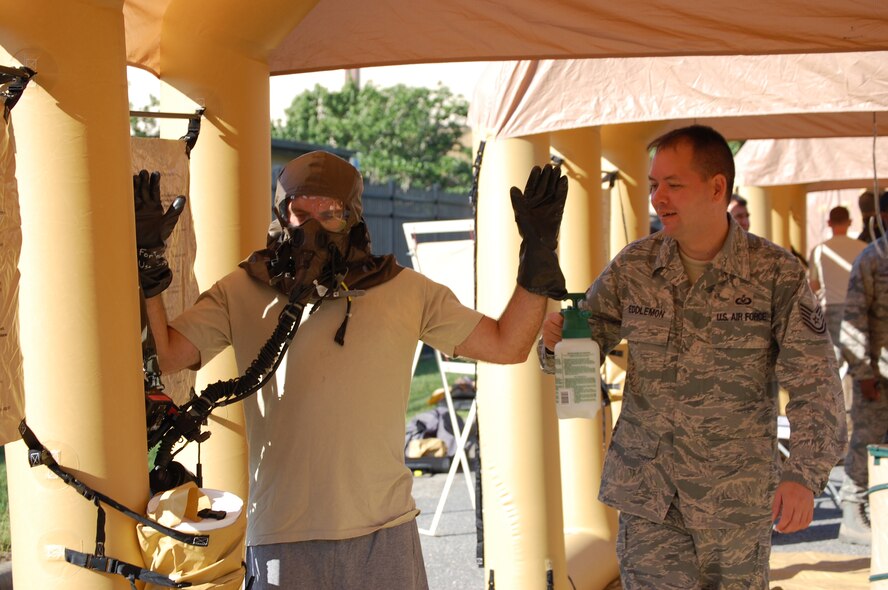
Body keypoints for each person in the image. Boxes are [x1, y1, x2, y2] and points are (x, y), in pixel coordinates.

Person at [134, 151, 569, 590]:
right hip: (283, 536)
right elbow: (168, 354)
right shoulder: (244, 288)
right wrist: (148, 267)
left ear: (355, 217)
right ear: (280, 214)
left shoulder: (404, 289)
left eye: (330, 214)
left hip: (384, 533)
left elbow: (508, 344)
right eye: (299, 212)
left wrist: (538, 251)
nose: (312, 227)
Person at [540, 125, 844, 589]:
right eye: (655, 183)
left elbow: (816, 385)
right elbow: (578, 350)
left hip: (735, 504)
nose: (657, 197)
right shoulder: (634, 267)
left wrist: (803, 474)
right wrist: (555, 345)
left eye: (673, 185)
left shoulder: (774, 273)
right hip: (650, 498)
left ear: (717, 187)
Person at [837, 231, 888, 545]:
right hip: (878, 375)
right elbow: (853, 318)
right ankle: (853, 513)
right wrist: (862, 373)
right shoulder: (873, 258)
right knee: (866, 440)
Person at [808, 206, 866, 435]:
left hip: (831, 310)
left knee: (835, 368)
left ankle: (837, 427)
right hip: (858, 309)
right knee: (859, 367)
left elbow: (814, 286)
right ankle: (854, 427)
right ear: (850, 222)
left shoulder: (820, 250)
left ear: (829, 223)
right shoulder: (863, 249)